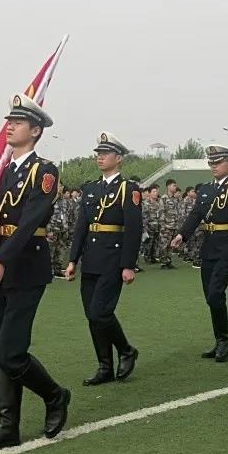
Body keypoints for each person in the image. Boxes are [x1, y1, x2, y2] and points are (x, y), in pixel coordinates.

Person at [0, 94, 71, 452]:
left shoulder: (44, 171)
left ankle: (55, 395)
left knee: (10, 352)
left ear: (36, 130)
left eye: (18, 121)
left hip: (25, 266)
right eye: (8, 120)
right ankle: (7, 426)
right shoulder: (0, 170)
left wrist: (2, 260)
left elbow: (30, 221)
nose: (9, 126)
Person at [66, 133, 143, 386]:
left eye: (105, 153)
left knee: (101, 313)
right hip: (91, 258)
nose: (99, 157)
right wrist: (72, 260)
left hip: (113, 258)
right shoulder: (90, 188)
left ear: (118, 158)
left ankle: (126, 349)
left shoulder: (128, 189)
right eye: (98, 153)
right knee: (92, 316)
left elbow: (133, 228)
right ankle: (104, 366)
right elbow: (81, 227)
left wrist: (128, 265)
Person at [172, 143, 228, 362]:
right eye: (211, 162)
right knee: (210, 298)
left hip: (227, 248)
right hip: (209, 247)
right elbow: (195, 215)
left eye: (218, 162)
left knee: (215, 294)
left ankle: (223, 342)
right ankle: (220, 339)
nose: (214, 166)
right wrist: (182, 234)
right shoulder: (206, 190)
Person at [157, 179, 181, 269]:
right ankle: (163, 263)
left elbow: (177, 213)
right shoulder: (163, 198)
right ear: (168, 186)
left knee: (171, 245)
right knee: (163, 245)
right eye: (173, 185)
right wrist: (163, 226)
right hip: (166, 227)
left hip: (174, 226)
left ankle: (169, 261)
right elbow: (161, 213)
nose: (175, 187)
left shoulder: (175, 199)